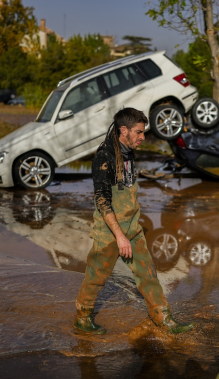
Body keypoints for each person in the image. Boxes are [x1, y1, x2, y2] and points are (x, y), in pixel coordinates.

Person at [74, 107, 194, 335]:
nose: (143, 137)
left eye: (143, 132)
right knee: (96, 278)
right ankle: (82, 318)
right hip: (109, 232)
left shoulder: (128, 152)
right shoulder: (104, 157)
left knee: (147, 273)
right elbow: (102, 201)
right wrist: (119, 237)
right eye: (139, 132)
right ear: (123, 130)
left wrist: (132, 230)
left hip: (132, 228)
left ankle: (164, 319)